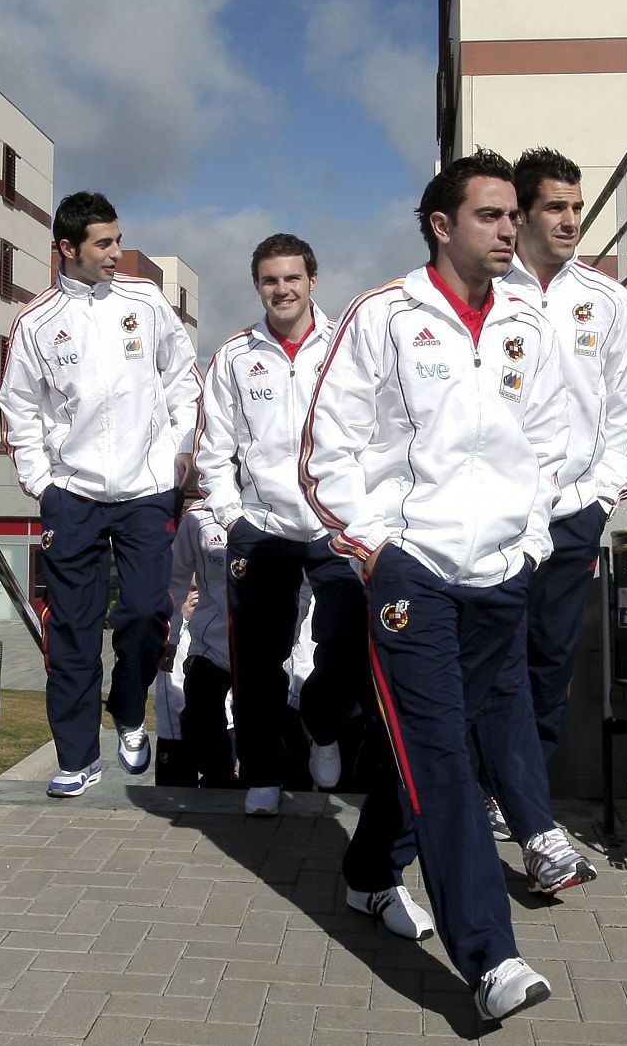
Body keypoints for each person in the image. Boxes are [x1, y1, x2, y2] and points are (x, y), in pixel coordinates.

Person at [300, 150, 581, 1021]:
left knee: (431, 750)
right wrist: (380, 548)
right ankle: (492, 960)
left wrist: (530, 544)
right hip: (411, 577)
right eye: (493, 216)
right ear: (442, 224)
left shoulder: (526, 322)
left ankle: (366, 870)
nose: (511, 230)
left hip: (500, 572)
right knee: (447, 764)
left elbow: (548, 445)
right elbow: (325, 453)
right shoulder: (385, 316)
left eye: (512, 216)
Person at [198, 232, 431, 943]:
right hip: (264, 525)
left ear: (313, 278)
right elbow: (216, 446)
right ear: (258, 285)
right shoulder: (236, 357)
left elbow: (383, 432)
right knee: (258, 659)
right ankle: (264, 774)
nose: (282, 290)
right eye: (269, 280)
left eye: (292, 278)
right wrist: (229, 517)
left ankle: (325, 724)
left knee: (343, 653)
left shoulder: (349, 345)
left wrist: (370, 518)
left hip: (336, 528)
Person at [0, 191, 200, 797]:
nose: (116, 253)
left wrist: (178, 453)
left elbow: (181, 376)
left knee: (143, 611)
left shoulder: (145, 301)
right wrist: (43, 482)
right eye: (103, 244)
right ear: (67, 248)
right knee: (73, 630)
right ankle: (77, 757)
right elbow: (20, 408)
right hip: (74, 496)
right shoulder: (36, 322)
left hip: (145, 490)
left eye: (118, 240)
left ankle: (131, 708)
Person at [478, 147, 627, 841]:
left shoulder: (608, 300)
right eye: (556, 207)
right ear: (524, 212)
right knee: (490, 656)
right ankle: (482, 789)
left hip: (574, 514)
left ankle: (527, 801)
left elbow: (622, 408)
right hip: (498, 517)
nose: (572, 219)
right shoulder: (488, 292)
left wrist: (602, 494)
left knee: (549, 657)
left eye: (577, 206)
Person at [157, 503, 238, 788]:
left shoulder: (277, 507)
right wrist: (172, 636)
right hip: (208, 648)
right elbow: (175, 583)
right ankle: (218, 776)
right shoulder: (198, 518)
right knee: (199, 701)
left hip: (256, 645)